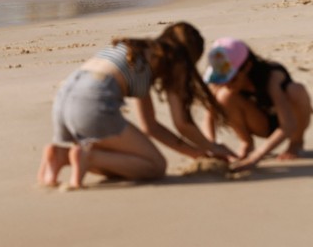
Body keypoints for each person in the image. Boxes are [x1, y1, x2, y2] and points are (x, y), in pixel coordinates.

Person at [37, 22, 234, 189]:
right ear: (187, 58)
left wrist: (198, 154)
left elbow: (150, 125)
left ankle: (61, 155)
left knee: (123, 157)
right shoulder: (174, 62)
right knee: (154, 166)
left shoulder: (134, 52)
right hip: (92, 102)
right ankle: (88, 158)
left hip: (64, 100)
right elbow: (180, 123)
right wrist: (212, 147)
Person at [201, 37, 313, 172]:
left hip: (286, 121)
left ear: (247, 66)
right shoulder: (225, 84)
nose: (227, 84)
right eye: (222, 79)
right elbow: (208, 117)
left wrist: (257, 157)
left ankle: (296, 143)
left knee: (296, 90)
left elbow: (288, 125)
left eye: (232, 79)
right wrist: (212, 147)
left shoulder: (272, 76)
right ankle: (246, 143)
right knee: (224, 96)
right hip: (259, 123)